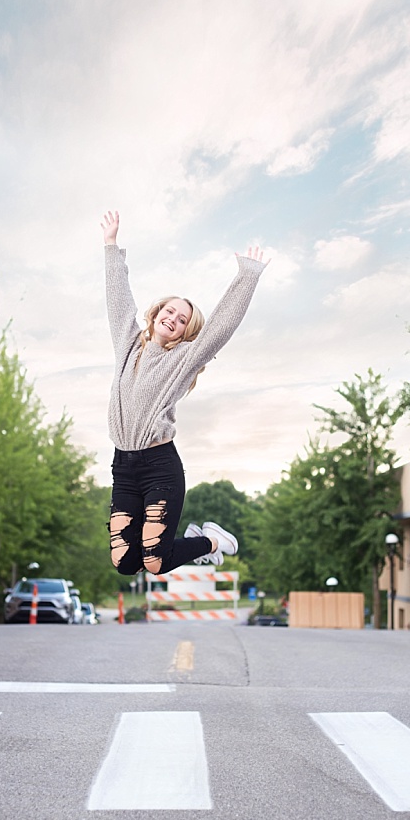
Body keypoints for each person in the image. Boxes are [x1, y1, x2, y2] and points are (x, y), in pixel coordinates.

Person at [101, 209, 265, 579]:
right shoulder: (128, 345)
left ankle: (210, 542)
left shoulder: (182, 360)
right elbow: (118, 300)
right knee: (125, 563)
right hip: (123, 468)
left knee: (155, 563)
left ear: (183, 334)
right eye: (170, 311)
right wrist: (111, 245)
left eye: (181, 321)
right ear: (157, 312)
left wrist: (247, 277)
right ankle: (195, 540)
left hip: (160, 468)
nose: (172, 319)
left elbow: (220, 328)